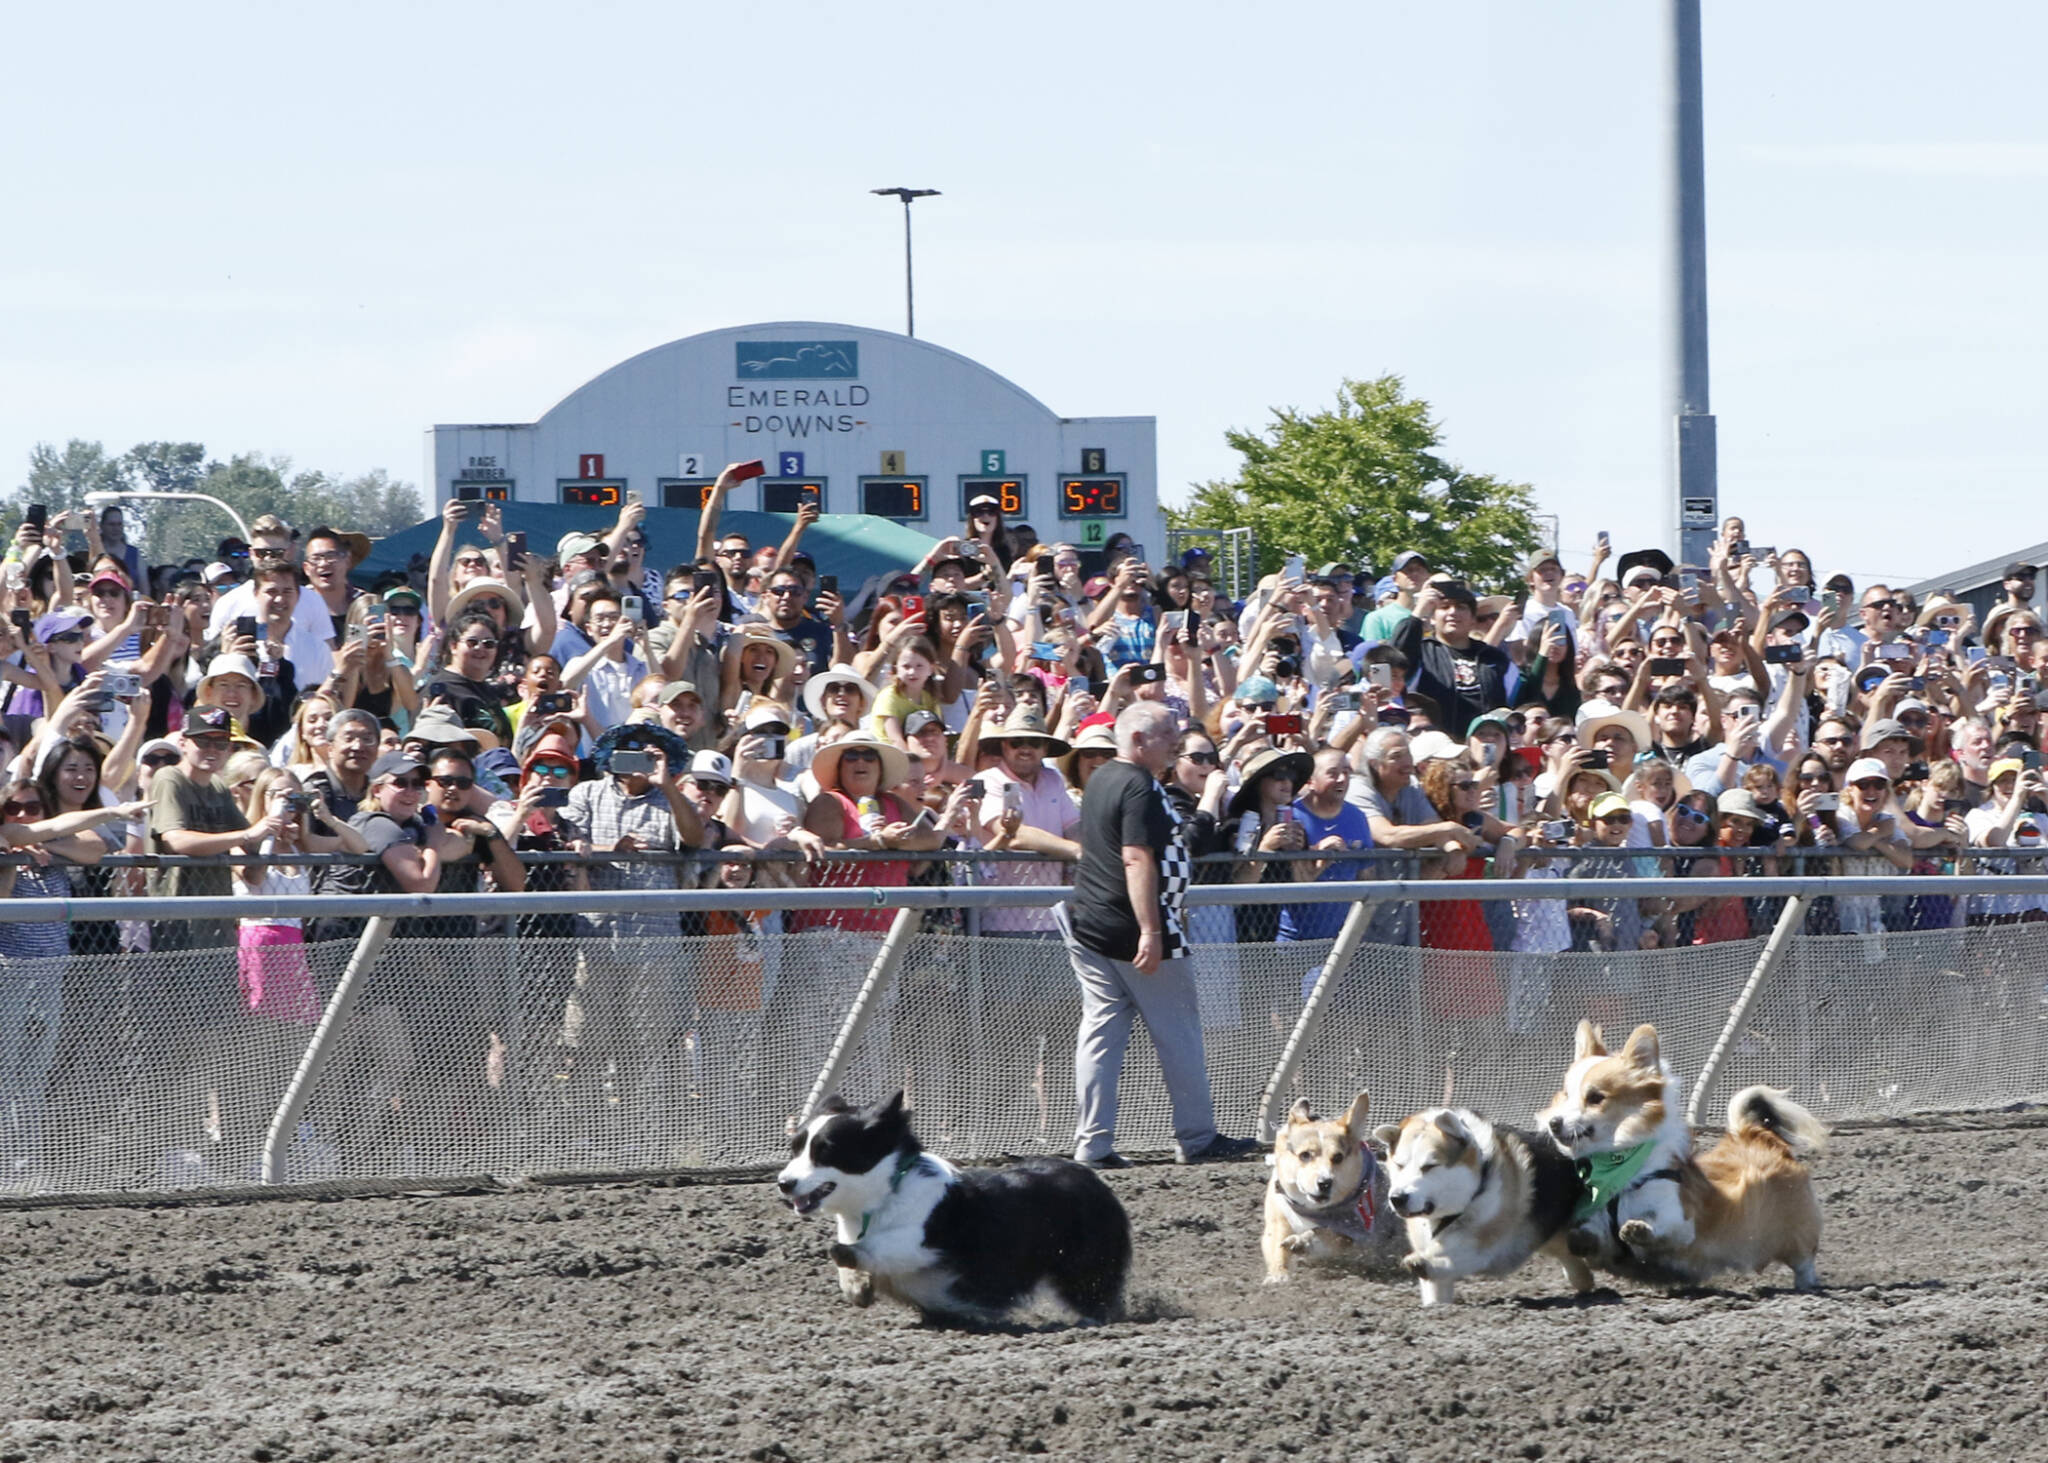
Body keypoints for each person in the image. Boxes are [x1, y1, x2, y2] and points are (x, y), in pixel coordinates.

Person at [1059, 701, 1256, 1169]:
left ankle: (1093, 1144)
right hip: (1138, 927)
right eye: (1167, 734)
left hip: (1092, 922)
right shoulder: (1136, 785)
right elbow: (1136, 858)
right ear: (1138, 740)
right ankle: (1197, 1137)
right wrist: (1150, 930)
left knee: (1101, 1035)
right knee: (1180, 1035)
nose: (1175, 741)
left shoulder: (1103, 778)